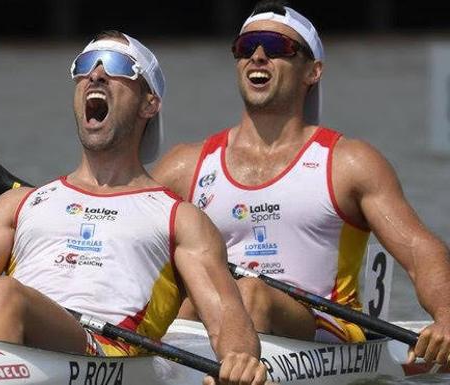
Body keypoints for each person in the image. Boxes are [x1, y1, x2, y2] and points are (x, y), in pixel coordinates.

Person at [0, 31, 267, 384]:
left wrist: (240, 359)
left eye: (116, 66)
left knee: (3, 293)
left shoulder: (178, 217)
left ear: (149, 103)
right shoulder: (22, 203)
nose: (95, 76)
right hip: (8, 328)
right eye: (84, 66)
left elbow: (225, 316)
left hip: (105, 353)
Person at [152, 0, 450, 365]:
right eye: (246, 48)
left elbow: (421, 252)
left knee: (250, 295)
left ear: (313, 70)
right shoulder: (185, 166)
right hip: (213, 318)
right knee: (199, 296)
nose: (258, 56)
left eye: (277, 48)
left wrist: (447, 317)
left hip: (325, 329)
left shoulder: (349, 163)